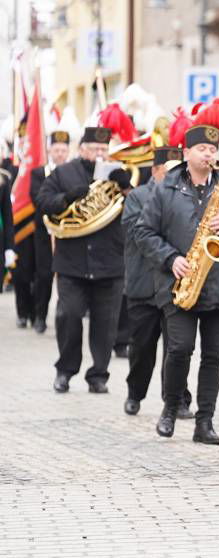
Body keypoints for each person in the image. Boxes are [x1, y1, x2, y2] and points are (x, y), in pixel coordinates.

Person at [136, 98, 219, 444]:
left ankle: (205, 421)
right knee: (180, 349)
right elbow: (143, 231)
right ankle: (170, 409)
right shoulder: (164, 187)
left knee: (213, 356)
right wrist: (171, 259)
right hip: (179, 282)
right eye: (201, 148)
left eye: (212, 149)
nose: (207, 154)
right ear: (186, 152)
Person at [37, 112, 133, 394]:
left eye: (104, 149)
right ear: (82, 150)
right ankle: (65, 370)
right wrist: (66, 198)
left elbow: (142, 208)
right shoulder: (63, 173)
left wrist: (126, 186)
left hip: (110, 260)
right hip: (72, 262)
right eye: (95, 149)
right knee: (68, 315)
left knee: (106, 323)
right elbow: (42, 202)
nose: (100, 154)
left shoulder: (119, 173)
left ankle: (98, 375)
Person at [121, 145, 192, 418]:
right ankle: (135, 393)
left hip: (175, 284)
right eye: (170, 170)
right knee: (142, 348)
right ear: (155, 171)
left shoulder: (185, 196)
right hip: (144, 285)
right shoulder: (138, 197)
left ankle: (176, 400)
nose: (176, 176)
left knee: (177, 347)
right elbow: (138, 232)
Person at [19, 130, 68, 333]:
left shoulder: (72, 172)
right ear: (49, 150)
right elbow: (37, 198)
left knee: (66, 275)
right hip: (45, 232)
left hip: (68, 232)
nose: (59, 154)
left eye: (63, 150)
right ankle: (40, 315)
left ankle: (64, 317)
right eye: (56, 150)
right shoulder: (39, 173)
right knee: (44, 275)